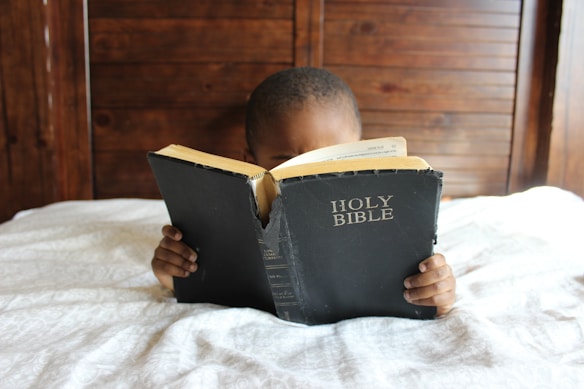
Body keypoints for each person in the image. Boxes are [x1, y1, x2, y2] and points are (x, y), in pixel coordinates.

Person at [151, 67, 456, 317]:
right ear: (250, 161)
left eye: (334, 157)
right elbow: (196, 281)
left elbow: (429, 291)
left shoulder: (390, 215)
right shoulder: (226, 219)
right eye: (287, 161)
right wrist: (174, 273)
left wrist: (436, 293)